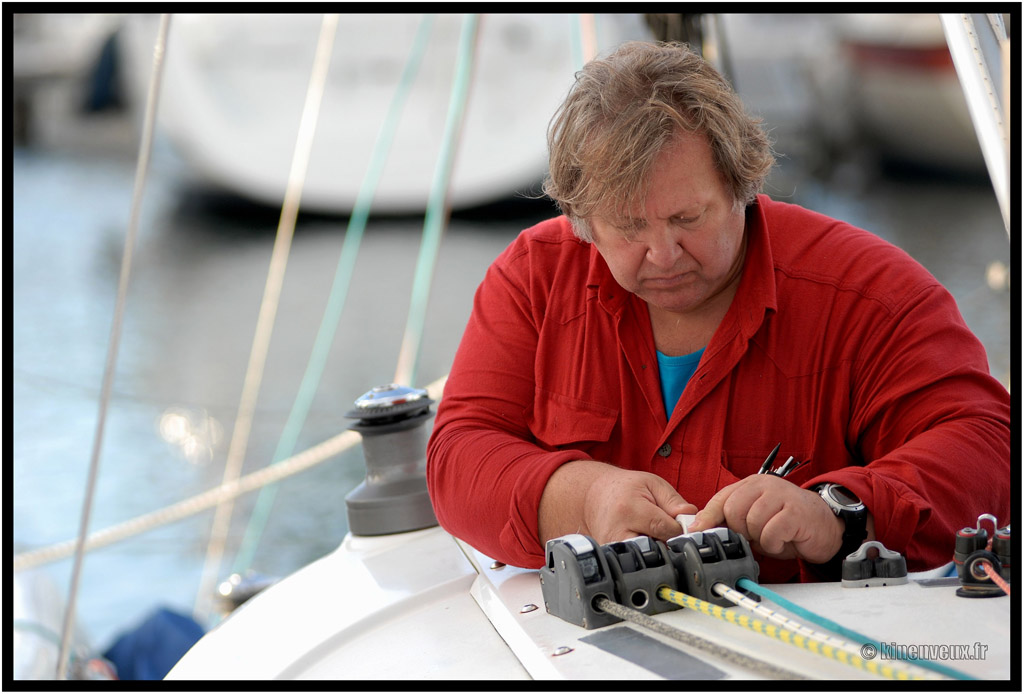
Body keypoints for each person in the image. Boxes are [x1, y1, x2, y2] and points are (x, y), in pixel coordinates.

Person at [425, 41, 1010, 583]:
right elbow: (458, 455)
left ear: (742, 184)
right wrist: (583, 498)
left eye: (687, 219)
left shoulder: (867, 293)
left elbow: (988, 446)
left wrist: (841, 511)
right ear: (583, 223)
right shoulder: (535, 279)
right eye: (628, 227)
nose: (663, 254)